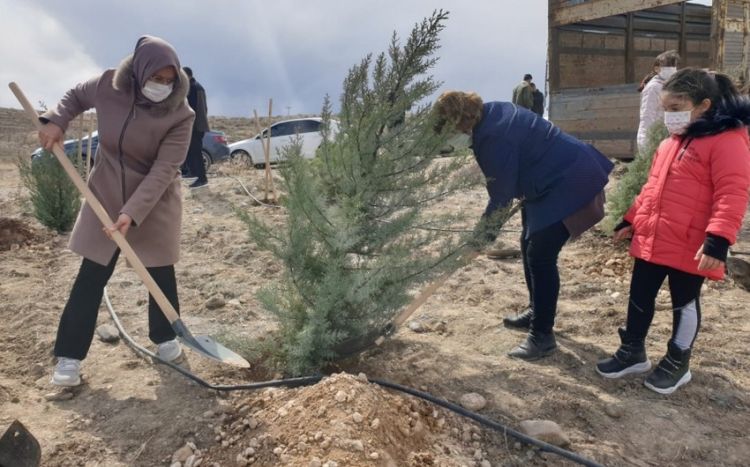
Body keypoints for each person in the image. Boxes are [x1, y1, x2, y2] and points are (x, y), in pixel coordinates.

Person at [37, 35, 195, 386]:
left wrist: (133, 212)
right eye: (157, 79)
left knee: (158, 273)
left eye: (170, 81)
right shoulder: (109, 84)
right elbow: (76, 96)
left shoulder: (180, 113)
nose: (163, 87)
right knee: (92, 274)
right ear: (139, 73)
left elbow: (165, 168)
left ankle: (167, 340)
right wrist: (55, 120)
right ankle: (69, 359)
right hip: (105, 194)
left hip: (154, 199)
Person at [597, 68, 750, 394]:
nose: (669, 116)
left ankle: (677, 361)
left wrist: (718, 240)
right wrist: (631, 219)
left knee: (685, 302)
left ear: (703, 105)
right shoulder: (670, 143)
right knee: (640, 295)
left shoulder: (729, 142)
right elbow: (652, 188)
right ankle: (633, 350)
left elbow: (732, 193)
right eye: (666, 109)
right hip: (654, 238)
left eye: (676, 108)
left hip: (692, 244)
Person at [433, 91, 614, 360]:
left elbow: (501, 197)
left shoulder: (494, 136)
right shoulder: (491, 112)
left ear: (461, 122)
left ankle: (542, 337)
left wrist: (479, 240)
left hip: (570, 180)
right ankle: (536, 310)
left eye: (449, 131)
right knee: (528, 243)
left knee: (540, 256)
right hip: (549, 179)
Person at [637, 50, 680, 150]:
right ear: (657, 68)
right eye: (667, 66)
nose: (672, 69)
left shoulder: (671, 85)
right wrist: (647, 142)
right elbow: (647, 115)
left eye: (674, 65)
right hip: (654, 139)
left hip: (667, 138)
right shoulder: (653, 87)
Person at [183, 66, 210, 189]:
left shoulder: (193, 88)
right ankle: (193, 172)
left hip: (195, 126)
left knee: (196, 152)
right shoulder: (197, 87)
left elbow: (192, 109)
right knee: (191, 151)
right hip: (198, 125)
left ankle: (202, 178)